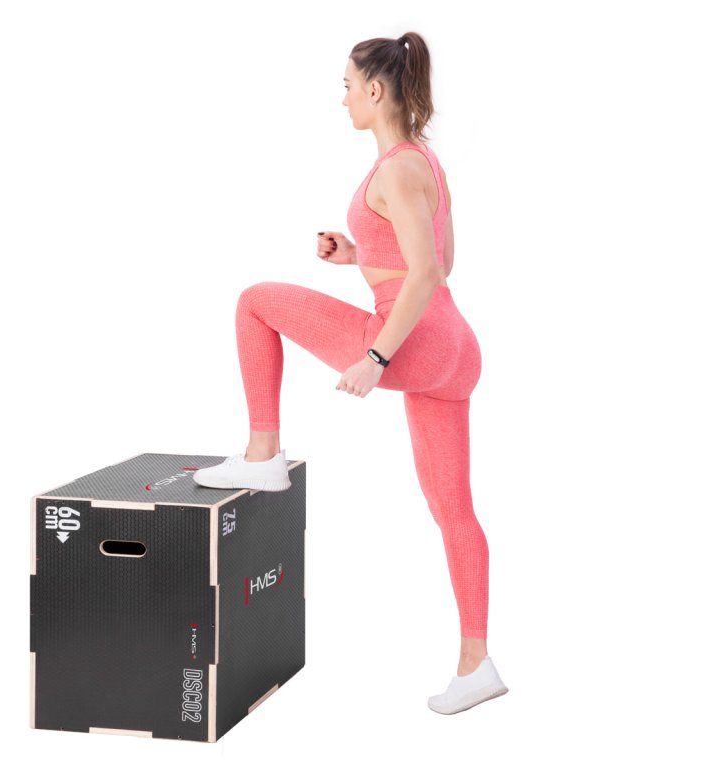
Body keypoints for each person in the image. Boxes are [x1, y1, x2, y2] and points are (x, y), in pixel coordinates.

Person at [192, 32, 508, 715]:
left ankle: (262, 453)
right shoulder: (426, 161)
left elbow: (425, 273)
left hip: (413, 340)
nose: (341, 99)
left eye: (346, 86)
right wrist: (358, 254)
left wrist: (376, 358)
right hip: (456, 349)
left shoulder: (393, 168)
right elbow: (439, 262)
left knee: (255, 302)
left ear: (374, 89)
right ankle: (476, 663)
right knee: (454, 510)